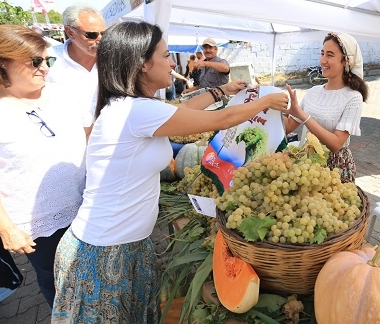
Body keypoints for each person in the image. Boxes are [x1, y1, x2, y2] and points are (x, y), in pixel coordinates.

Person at [52, 21, 289, 323]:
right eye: (165, 55)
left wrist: (220, 91)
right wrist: (267, 101)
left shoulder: (132, 107)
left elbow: (179, 109)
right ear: (141, 64)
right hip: (104, 252)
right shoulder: (136, 111)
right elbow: (224, 120)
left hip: (123, 245)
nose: (172, 62)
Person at [0, 25, 89, 307]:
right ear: (0, 63)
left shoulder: (63, 95)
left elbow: (89, 135)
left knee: (94, 273)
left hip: (87, 204)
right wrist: (6, 229)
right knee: (59, 283)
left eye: (48, 60)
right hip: (39, 224)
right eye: (35, 61)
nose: (44, 67)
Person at [283, 32, 368, 183]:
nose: (323, 60)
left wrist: (305, 117)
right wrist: (266, 104)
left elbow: (336, 144)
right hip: (308, 162)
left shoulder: (353, 97)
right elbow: (288, 126)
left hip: (334, 168)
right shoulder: (313, 92)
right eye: (322, 53)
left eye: (330, 55)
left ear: (345, 61)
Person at [46, 4, 106, 134]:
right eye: (92, 35)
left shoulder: (112, 59)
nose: (100, 39)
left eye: (104, 34)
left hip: (106, 142)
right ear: (70, 32)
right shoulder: (47, 59)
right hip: (64, 142)